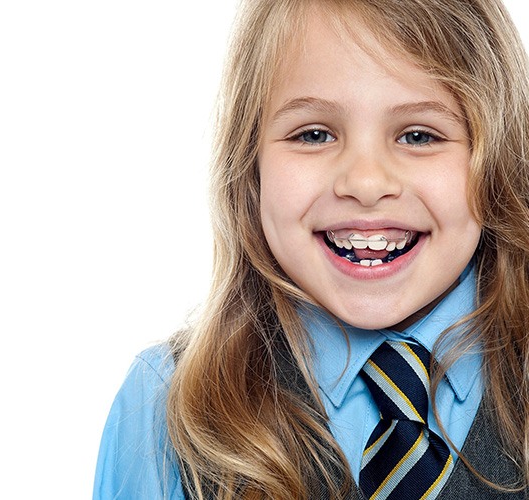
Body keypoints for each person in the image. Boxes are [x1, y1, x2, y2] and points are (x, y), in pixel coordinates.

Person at [93, 0, 529, 498]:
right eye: (314, 134)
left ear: (498, 158)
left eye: (418, 135)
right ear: (249, 166)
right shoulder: (164, 406)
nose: (366, 182)